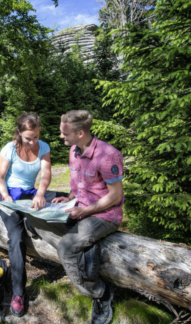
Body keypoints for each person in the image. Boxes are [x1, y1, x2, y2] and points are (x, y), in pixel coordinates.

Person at [0, 113, 67, 317]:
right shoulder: (10, 149)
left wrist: (41, 193)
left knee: (67, 199)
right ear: (19, 133)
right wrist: (5, 195)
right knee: (16, 238)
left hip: (29, 195)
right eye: (28, 138)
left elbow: (46, 174)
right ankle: (18, 293)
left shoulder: (43, 147)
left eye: (35, 136)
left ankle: (37, 223)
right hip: (8, 196)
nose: (32, 141)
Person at [50, 110, 124, 324]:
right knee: (35, 222)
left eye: (65, 134)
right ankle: (84, 254)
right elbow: (79, 184)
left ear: (80, 133)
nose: (61, 137)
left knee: (65, 246)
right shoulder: (74, 149)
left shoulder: (107, 154)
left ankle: (100, 292)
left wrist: (83, 211)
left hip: (105, 214)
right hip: (80, 208)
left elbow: (115, 195)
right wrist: (69, 198)